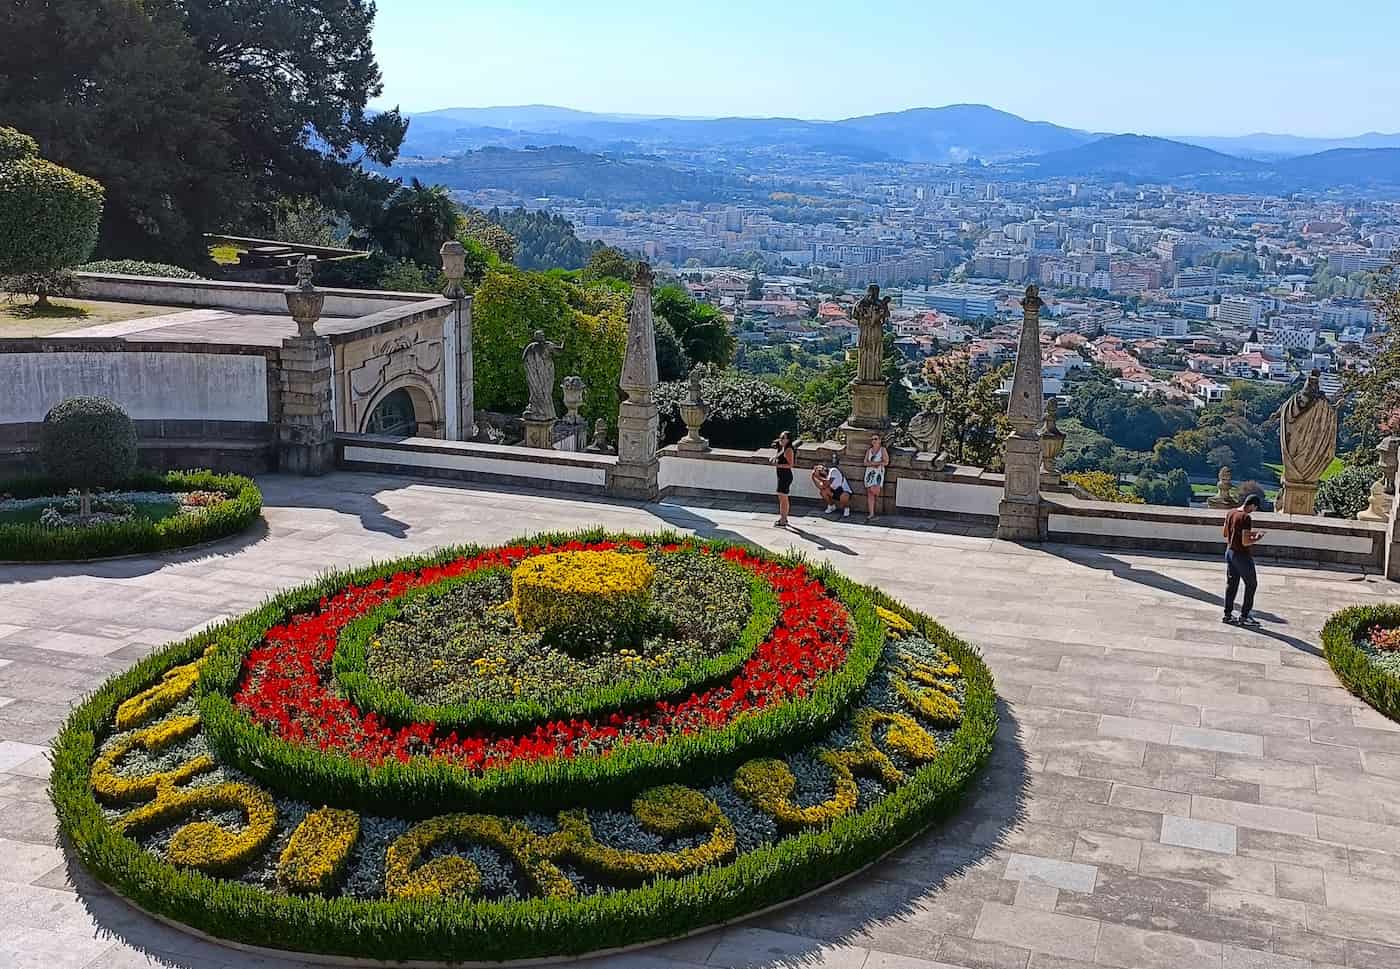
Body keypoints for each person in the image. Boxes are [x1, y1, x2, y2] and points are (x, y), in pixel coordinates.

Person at [1222, 494, 1264, 626]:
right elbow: (1245, 542)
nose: (1254, 510)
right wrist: (1257, 537)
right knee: (1251, 584)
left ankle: (1227, 615)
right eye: (1255, 508)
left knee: (1232, 584)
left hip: (1229, 552)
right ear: (1252, 505)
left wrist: (1249, 534)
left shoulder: (1231, 513)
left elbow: (1225, 533)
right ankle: (1245, 616)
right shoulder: (1246, 517)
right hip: (1241, 555)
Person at [770, 430, 796, 527]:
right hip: (781, 475)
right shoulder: (783, 447)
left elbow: (790, 465)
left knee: (783, 498)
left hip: (785, 476)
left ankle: (783, 519)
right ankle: (783, 518)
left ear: (788, 440)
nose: (781, 439)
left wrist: (777, 464)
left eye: (783, 438)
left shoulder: (788, 449)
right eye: (780, 437)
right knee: (782, 498)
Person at [863, 433, 889, 521]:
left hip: (878, 473)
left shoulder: (883, 450)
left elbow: (886, 462)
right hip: (869, 473)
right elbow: (865, 462)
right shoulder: (869, 450)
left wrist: (875, 464)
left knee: (875, 491)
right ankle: (871, 514)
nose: (873, 441)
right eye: (872, 439)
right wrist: (876, 464)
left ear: (880, 440)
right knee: (870, 493)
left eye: (876, 439)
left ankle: (878, 512)